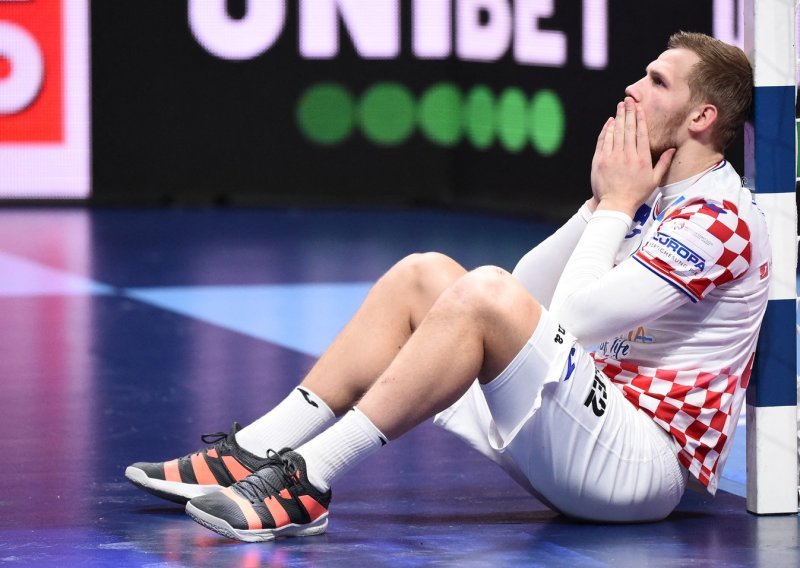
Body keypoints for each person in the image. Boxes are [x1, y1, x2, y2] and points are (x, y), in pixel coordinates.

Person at [126, 31, 768, 542]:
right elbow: (527, 293)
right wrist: (598, 204)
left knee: (483, 292)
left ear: (702, 116)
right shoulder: (649, 191)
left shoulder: (721, 218)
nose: (631, 88)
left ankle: (309, 479)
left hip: (641, 467)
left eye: (656, 81)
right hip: (579, 427)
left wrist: (616, 205)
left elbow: (567, 316)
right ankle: (256, 449)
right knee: (423, 275)